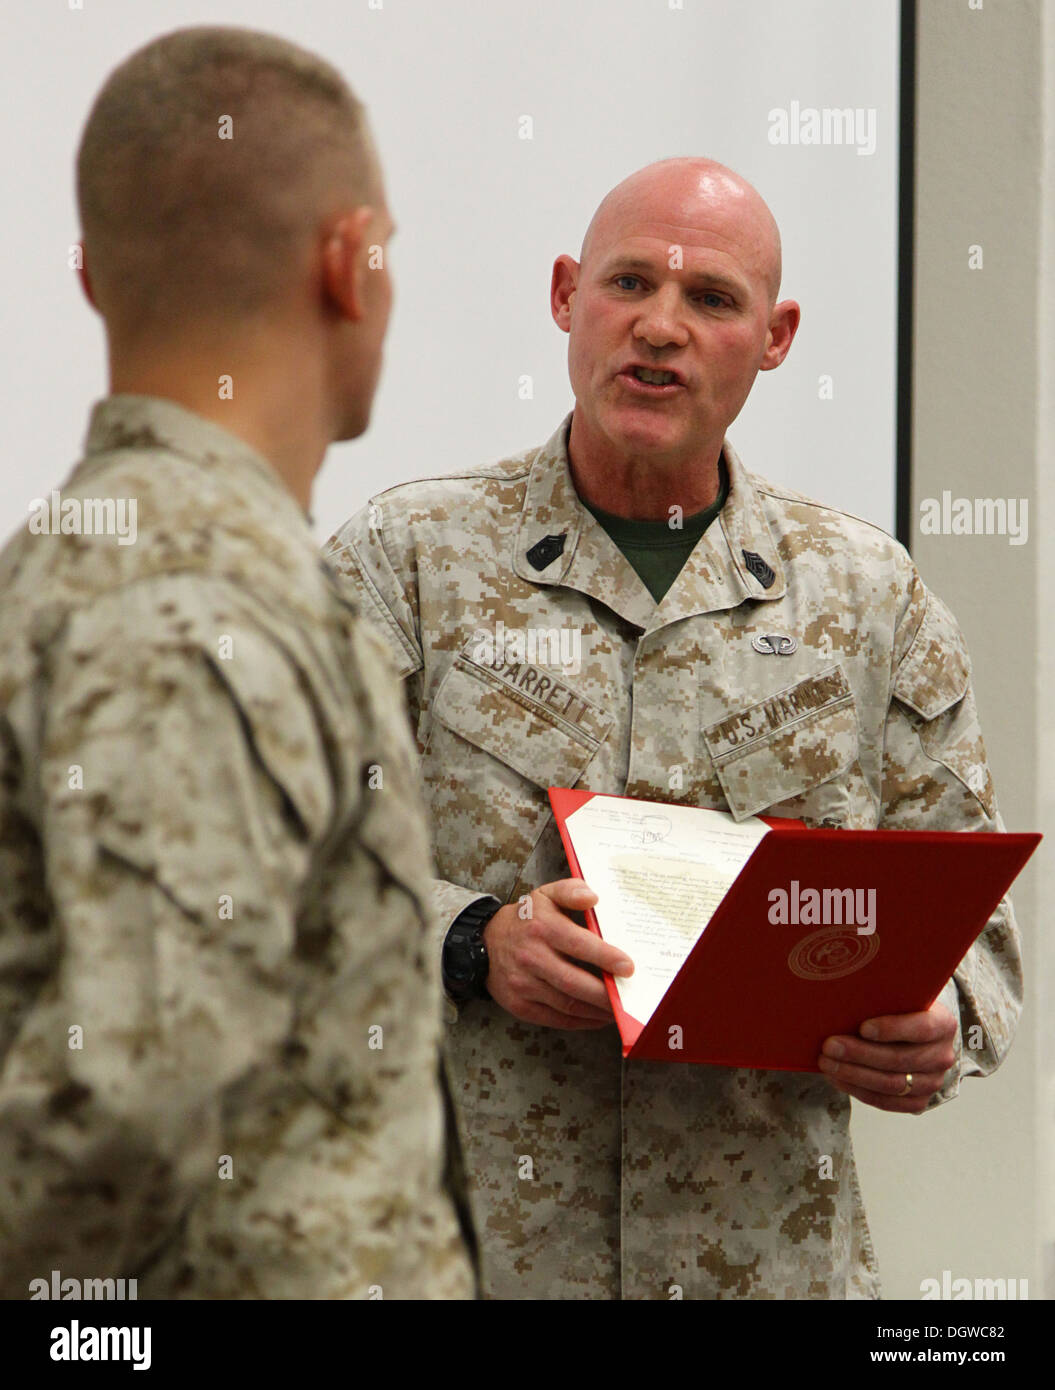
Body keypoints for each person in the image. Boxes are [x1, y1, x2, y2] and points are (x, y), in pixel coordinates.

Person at [324, 156, 1024, 1300]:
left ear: (776, 333)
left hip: (763, 1268)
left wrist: (935, 1021)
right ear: (564, 296)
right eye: (627, 283)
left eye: (710, 300)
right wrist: (469, 943)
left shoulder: (866, 599)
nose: (658, 327)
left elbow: (973, 930)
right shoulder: (404, 563)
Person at [0, 26, 476, 1300]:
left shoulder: (112, 557)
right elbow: (134, 1088)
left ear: (95, 276)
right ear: (348, 263)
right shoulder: (192, 596)